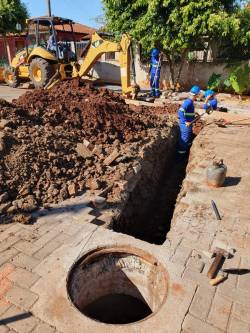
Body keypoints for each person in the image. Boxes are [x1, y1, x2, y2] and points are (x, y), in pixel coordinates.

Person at [177, 85, 201, 154]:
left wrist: (194, 114)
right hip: (185, 125)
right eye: (198, 95)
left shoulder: (190, 101)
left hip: (188, 124)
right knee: (184, 139)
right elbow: (180, 111)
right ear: (196, 95)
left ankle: (185, 149)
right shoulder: (189, 102)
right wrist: (185, 122)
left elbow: (187, 112)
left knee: (186, 138)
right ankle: (181, 154)